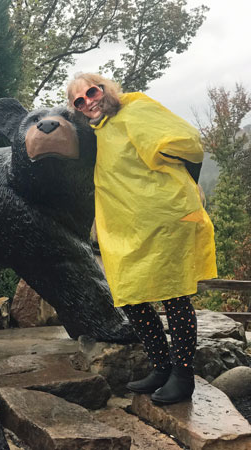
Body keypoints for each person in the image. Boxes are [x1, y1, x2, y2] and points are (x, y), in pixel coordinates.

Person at [66, 73, 217, 405]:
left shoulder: (134, 109)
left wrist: (187, 185)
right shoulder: (97, 132)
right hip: (128, 228)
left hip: (163, 219)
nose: (88, 101)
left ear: (105, 89)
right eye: (79, 100)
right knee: (131, 296)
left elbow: (188, 143)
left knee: (173, 295)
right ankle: (161, 367)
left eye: (92, 91)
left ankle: (183, 376)